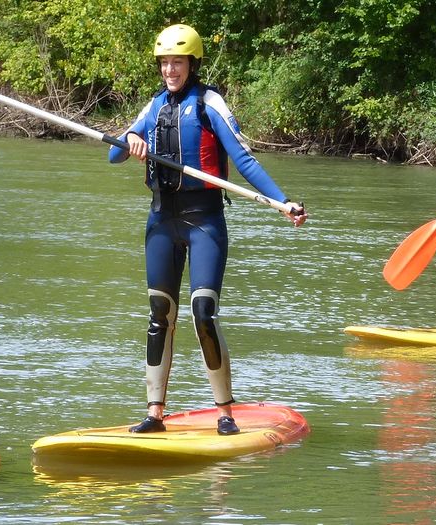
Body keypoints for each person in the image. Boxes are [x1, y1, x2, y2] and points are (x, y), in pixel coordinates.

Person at [108, 24, 307, 436]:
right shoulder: (155, 105)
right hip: (162, 219)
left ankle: (225, 413)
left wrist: (283, 201)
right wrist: (131, 138)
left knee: (203, 312)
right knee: (160, 314)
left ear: (192, 63)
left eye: (176, 62)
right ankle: (155, 413)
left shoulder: (208, 103)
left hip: (204, 220)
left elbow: (245, 160)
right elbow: (114, 154)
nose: (169, 70)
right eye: (164, 63)